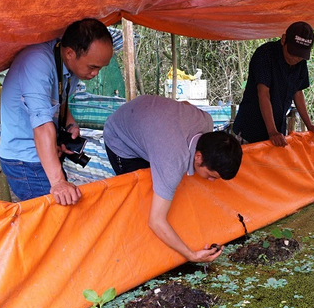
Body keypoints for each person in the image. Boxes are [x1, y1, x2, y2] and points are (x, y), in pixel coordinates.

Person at [104, 95, 243, 263]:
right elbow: (156, 221)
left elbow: (184, 104)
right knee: (142, 198)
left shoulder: (206, 121)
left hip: (149, 117)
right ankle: (140, 254)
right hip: (120, 135)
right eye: (212, 176)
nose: (212, 181)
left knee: (159, 183)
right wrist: (191, 255)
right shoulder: (172, 161)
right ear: (198, 157)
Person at [0, 18, 114, 205]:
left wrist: (70, 124)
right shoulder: (36, 63)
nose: (95, 74)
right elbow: (42, 125)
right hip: (24, 160)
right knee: (57, 220)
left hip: (44, 153)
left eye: (100, 68)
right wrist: (58, 182)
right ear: (70, 53)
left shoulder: (68, 64)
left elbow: (59, 99)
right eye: (93, 67)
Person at [232, 21, 314, 147]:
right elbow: (263, 94)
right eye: (292, 53)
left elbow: (297, 92)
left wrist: (309, 125)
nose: (294, 59)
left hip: (277, 131)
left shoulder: (300, 62)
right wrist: (272, 132)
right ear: (283, 40)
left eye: (299, 57)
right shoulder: (264, 55)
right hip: (250, 131)